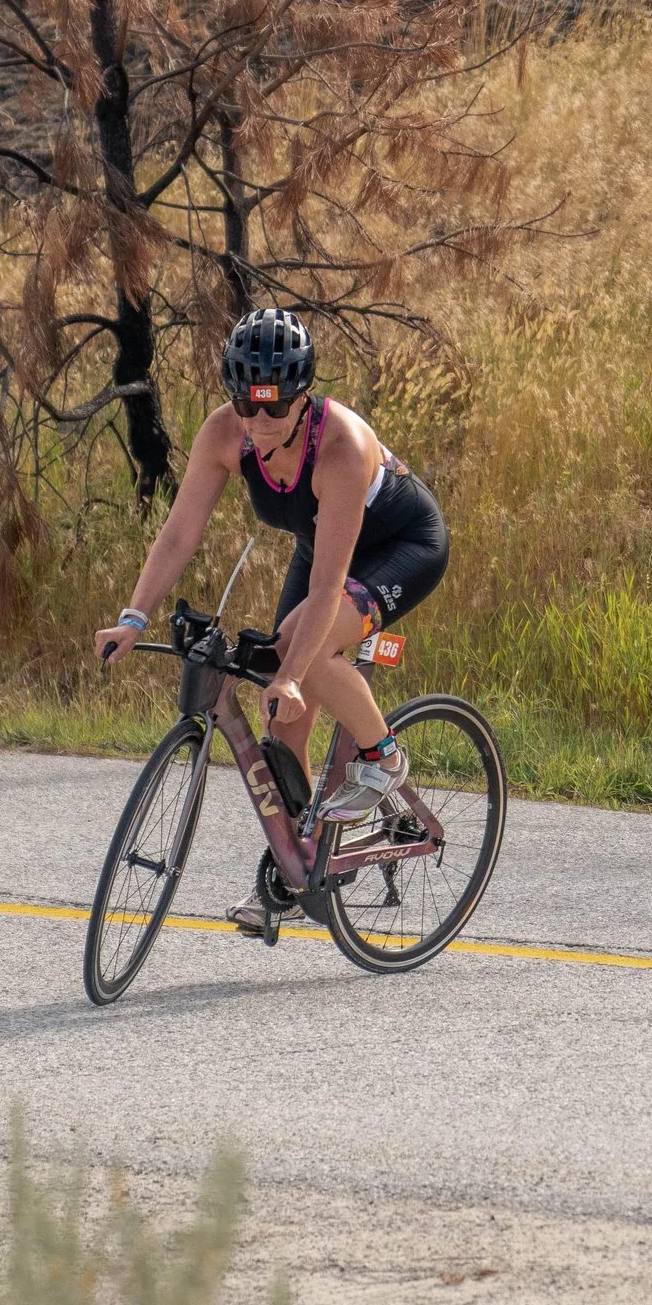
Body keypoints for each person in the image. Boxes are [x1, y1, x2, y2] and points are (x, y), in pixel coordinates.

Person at [94, 308, 450, 937]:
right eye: (246, 406)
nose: (258, 424)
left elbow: (326, 586)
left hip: (399, 546)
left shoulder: (340, 446)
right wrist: (133, 614)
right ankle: (300, 866)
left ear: (303, 395)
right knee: (282, 715)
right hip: (323, 545)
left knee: (301, 661)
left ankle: (386, 756)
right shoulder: (225, 432)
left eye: (275, 409)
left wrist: (293, 672)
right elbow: (179, 532)